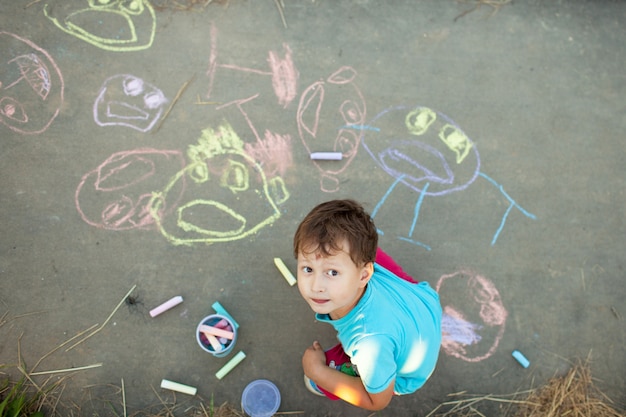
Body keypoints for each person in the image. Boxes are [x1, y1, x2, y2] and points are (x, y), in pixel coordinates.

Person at [294, 199, 442, 410]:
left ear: (364, 275)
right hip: (423, 303)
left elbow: (377, 401)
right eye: (308, 269)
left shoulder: (368, 344)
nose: (316, 286)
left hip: (407, 373)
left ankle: (324, 378)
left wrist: (316, 371)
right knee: (358, 249)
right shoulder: (363, 265)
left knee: (333, 373)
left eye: (332, 272)